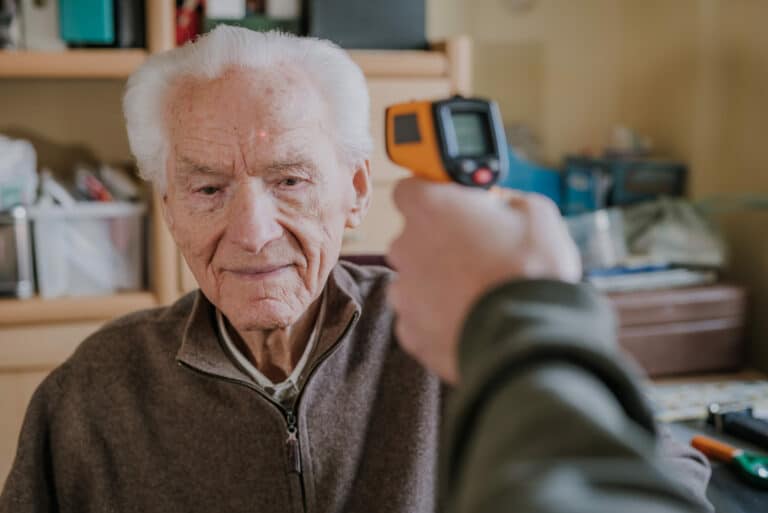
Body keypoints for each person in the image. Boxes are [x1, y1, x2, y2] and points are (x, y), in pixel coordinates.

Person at [1, 27, 709, 512]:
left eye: (290, 180)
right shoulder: (91, 394)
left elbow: (663, 478)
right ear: (169, 207)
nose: (251, 232)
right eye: (208, 188)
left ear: (357, 191)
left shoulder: (464, 327)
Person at [388, 179, 713, 513]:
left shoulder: (437, 311)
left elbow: (670, 463)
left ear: (358, 190)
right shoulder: (436, 307)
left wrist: (519, 310)